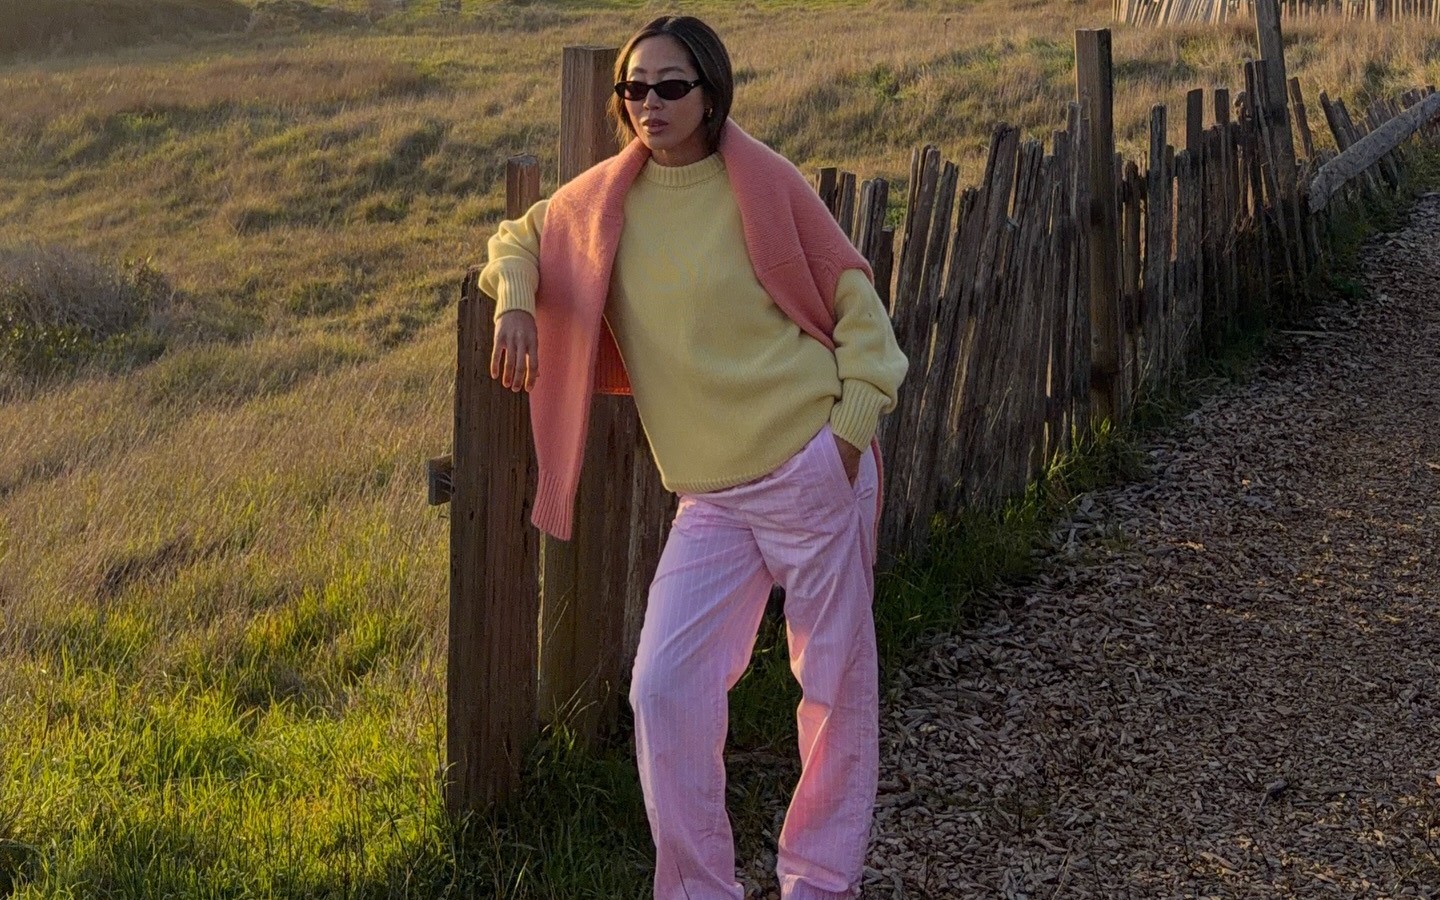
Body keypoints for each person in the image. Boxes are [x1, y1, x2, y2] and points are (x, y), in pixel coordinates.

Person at [478, 14, 907, 900]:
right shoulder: (603, 201)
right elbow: (516, 236)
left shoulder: (762, 181)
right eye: (634, 88)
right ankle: (696, 889)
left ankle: (820, 883)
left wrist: (847, 436)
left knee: (833, 691)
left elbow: (856, 301)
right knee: (664, 689)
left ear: (712, 93)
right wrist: (514, 301)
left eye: (671, 86)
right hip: (709, 497)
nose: (649, 103)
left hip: (808, 466)